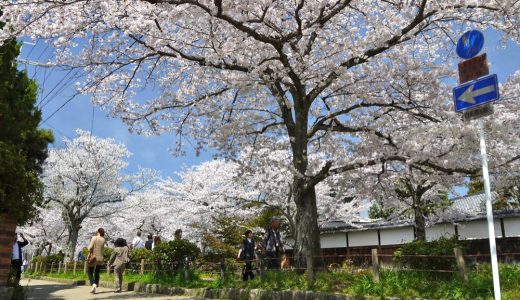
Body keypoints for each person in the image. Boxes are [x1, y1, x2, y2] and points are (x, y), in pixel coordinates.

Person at [87, 228, 106, 294]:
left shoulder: (94, 238)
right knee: (97, 272)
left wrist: (89, 249)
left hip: (94, 257)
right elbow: (102, 249)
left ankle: (93, 284)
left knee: (90, 271)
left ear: (98, 231)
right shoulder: (103, 239)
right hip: (100, 258)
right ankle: (95, 285)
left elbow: (90, 247)